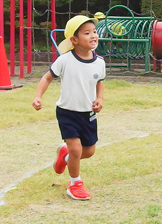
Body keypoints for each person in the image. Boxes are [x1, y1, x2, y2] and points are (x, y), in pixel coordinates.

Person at [31, 15, 105, 200]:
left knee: (88, 151)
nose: (93, 36)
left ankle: (64, 156)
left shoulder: (100, 62)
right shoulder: (65, 60)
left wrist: (100, 99)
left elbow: (99, 82)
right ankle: (75, 184)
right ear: (74, 40)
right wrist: (38, 96)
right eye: (87, 33)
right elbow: (47, 77)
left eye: (94, 32)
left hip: (87, 113)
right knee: (76, 150)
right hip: (67, 112)